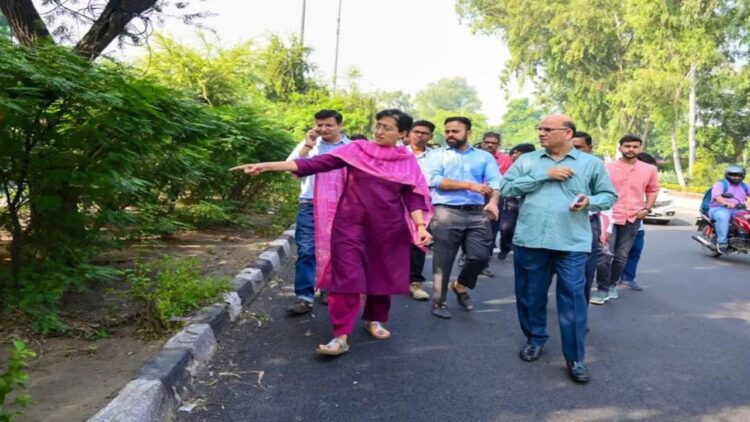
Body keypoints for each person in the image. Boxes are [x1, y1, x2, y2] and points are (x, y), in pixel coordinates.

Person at [231, 109, 432, 356]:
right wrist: (267, 166)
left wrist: (421, 226)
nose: (379, 131)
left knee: (381, 275)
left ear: (403, 133)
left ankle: (374, 319)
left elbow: (412, 196)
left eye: (387, 128)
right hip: (350, 226)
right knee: (345, 278)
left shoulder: (406, 161)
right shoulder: (357, 150)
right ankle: (340, 335)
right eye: (378, 125)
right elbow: (316, 163)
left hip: (388, 229)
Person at [500, 114, 617, 383]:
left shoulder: (591, 163)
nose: (541, 133)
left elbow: (608, 195)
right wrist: (544, 176)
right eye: (540, 129)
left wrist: (589, 202)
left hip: (572, 242)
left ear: (567, 133)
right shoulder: (528, 161)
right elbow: (505, 189)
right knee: (530, 294)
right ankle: (535, 338)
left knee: (574, 298)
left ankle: (575, 357)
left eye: (548, 129)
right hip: (531, 239)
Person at [427, 117, 502, 319]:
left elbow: (495, 181)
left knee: (480, 256)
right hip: (446, 211)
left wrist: (493, 202)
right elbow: (433, 179)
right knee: (443, 261)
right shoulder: (437, 155)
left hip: (477, 212)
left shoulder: (484, 157)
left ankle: (460, 286)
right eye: (448, 131)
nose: (450, 135)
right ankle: (439, 302)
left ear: (468, 133)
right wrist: (469, 185)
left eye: (455, 131)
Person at [285, 110, 350, 315]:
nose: (323, 129)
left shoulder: (352, 148)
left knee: (337, 250)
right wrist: (307, 146)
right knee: (306, 250)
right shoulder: (309, 146)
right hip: (310, 203)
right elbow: (291, 170)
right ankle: (304, 297)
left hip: (341, 205)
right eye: (319, 125)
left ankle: (328, 287)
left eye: (328, 125)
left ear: (340, 125)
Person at [590, 135, 658, 305]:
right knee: (605, 255)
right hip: (609, 216)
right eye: (627, 146)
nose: (631, 149)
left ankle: (612, 284)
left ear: (640, 149)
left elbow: (652, 190)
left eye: (635, 146)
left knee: (621, 256)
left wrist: (646, 209)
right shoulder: (607, 168)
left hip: (633, 217)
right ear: (620, 148)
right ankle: (602, 289)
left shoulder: (649, 169)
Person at [406, 120, 437, 301]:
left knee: (418, 242)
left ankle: (414, 283)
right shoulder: (397, 153)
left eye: (424, 133)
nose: (419, 135)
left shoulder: (437, 157)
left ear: (431, 136)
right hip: (396, 202)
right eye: (416, 131)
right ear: (408, 133)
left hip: (425, 205)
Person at [477, 132, 514, 276]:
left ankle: (483, 263)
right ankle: (467, 257)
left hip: (495, 197)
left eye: (493, 143)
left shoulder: (505, 160)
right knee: (470, 228)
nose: (490, 145)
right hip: (474, 196)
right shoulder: (474, 156)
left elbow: (509, 179)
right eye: (487, 142)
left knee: (490, 231)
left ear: (498, 145)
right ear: (482, 142)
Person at [620, 152, 658, 290]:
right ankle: (608, 280)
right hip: (618, 221)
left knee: (635, 250)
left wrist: (647, 209)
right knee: (616, 253)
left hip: (638, 223)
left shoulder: (649, 181)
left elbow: (652, 194)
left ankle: (628, 278)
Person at [571, 131, 602, 304]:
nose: (574, 152)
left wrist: (606, 229)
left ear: (590, 148)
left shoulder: (597, 167)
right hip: (557, 224)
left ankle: (579, 314)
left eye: (579, 148)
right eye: (570, 148)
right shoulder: (553, 167)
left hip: (587, 222)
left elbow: (608, 197)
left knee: (584, 272)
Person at [497, 143, 535, 261]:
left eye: (516, 153)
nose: (513, 155)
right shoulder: (510, 166)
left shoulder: (535, 166)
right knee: (506, 227)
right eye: (513, 153)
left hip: (529, 200)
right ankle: (505, 248)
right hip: (512, 200)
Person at [708, 165, 749, 254]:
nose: (736, 177)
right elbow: (717, 197)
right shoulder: (721, 184)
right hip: (719, 208)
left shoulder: (745, 186)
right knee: (724, 217)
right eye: (734, 175)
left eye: (739, 175)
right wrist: (727, 203)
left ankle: (743, 239)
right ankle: (722, 242)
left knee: (746, 219)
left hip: (738, 209)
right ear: (728, 175)